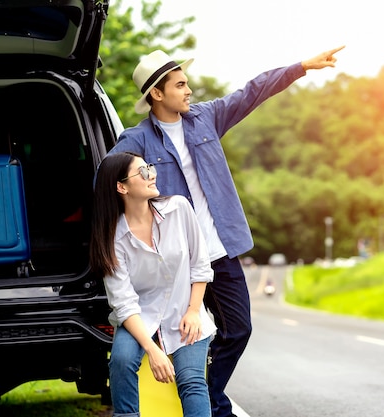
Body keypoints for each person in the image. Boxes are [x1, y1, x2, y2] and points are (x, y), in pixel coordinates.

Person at [107, 45, 345, 417]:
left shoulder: (207, 118)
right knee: (177, 335)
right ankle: (206, 402)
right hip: (177, 262)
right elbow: (107, 180)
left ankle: (210, 392)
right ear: (157, 93)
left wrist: (300, 68)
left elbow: (252, 91)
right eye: (181, 84)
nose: (189, 91)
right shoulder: (136, 142)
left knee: (239, 329)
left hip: (220, 248)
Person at [89, 151, 217, 417]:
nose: (153, 174)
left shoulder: (179, 208)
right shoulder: (113, 239)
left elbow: (201, 265)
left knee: (191, 379)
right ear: (121, 187)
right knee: (122, 362)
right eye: (143, 172)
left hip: (185, 310)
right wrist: (152, 349)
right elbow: (123, 302)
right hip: (140, 316)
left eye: (150, 168)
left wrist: (194, 311)